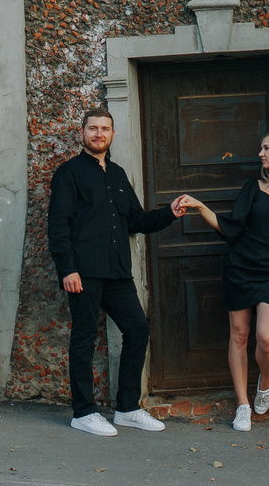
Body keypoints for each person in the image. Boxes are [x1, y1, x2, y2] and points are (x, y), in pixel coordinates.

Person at [170, 130, 269, 433]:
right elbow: (231, 227)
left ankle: (266, 380)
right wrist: (199, 206)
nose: (260, 154)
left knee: (265, 338)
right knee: (238, 335)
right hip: (240, 268)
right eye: (261, 148)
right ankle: (242, 405)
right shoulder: (254, 188)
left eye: (265, 148)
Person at [47, 106, 176, 437]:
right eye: (93, 128)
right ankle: (83, 411)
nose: (99, 134)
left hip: (118, 271)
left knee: (137, 329)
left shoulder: (117, 174)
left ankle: (127, 408)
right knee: (85, 337)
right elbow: (58, 225)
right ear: (83, 133)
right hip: (84, 272)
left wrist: (169, 213)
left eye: (105, 129)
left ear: (113, 134)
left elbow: (136, 220)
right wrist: (68, 269)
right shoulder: (69, 173)